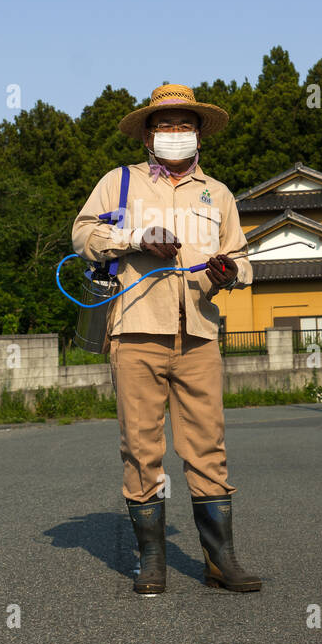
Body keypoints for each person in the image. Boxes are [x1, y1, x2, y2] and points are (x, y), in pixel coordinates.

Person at [71, 83, 262, 595]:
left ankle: (221, 560)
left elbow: (242, 258)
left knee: (208, 448)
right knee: (141, 446)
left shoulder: (216, 193)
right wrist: (135, 238)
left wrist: (229, 271)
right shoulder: (120, 183)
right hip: (136, 330)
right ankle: (151, 559)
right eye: (165, 124)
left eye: (185, 124)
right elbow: (82, 234)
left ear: (199, 133)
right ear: (148, 134)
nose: (175, 133)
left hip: (198, 332)